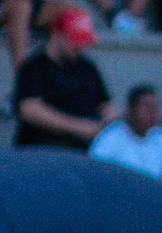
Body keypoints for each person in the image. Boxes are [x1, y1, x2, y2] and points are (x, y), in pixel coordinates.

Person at [14, 9, 115, 150]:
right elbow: (29, 109)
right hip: (43, 148)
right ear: (57, 34)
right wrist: (78, 127)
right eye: (75, 40)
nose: (80, 47)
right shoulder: (35, 67)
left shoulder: (87, 67)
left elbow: (105, 104)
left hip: (84, 150)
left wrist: (109, 124)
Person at [89, 84, 162, 179]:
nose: (152, 112)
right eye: (147, 107)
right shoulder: (110, 137)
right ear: (130, 110)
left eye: (155, 107)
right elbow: (95, 171)